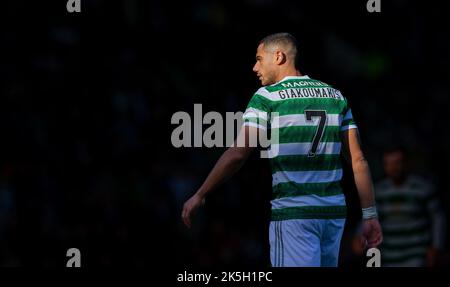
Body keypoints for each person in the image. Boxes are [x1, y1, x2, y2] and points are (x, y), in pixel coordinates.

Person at [181, 32, 382, 267]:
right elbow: (359, 161)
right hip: (333, 214)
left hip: (294, 214)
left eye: (258, 58)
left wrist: (201, 193)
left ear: (278, 56)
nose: (254, 67)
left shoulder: (267, 98)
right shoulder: (335, 97)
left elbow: (237, 154)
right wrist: (369, 215)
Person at [375, 146, 446, 267]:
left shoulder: (423, 187)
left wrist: (436, 246)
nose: (393, 168)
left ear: (406, 163)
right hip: (389, 256)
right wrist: (360, 237)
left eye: (397, 163)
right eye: (389, 164)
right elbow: (370, 218)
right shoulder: (378, 191)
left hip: (417, 254)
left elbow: (438, 217)